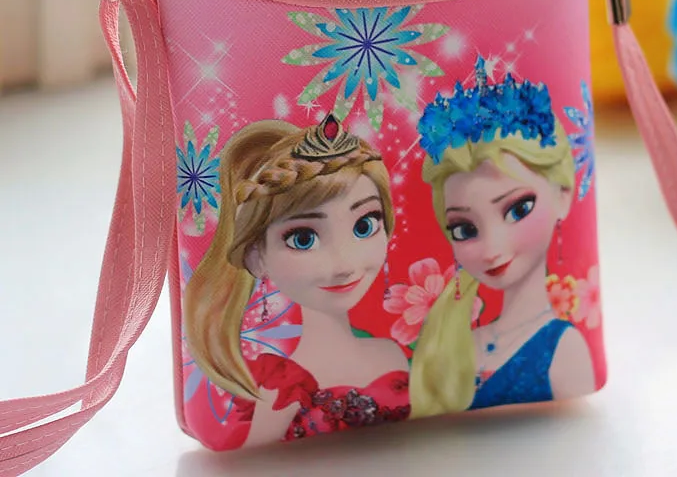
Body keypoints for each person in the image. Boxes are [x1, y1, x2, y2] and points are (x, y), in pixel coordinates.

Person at [184, 114, 410, 444]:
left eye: (365, 226)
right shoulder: (283, 390)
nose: (343, 264)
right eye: (303, 238)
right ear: (256, 256)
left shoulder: (392, 352)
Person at [410, 57, 595, 417]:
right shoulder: (457, 341)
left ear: (563, 195)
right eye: (465, 230)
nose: (492, 250)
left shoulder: (564, 349)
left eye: (518, 209)